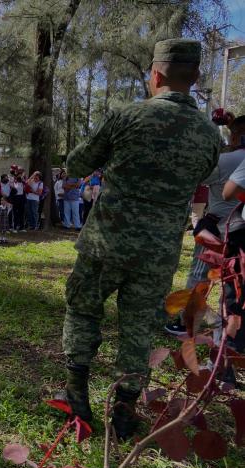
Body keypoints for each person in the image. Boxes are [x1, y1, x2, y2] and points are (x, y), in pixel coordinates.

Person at [60, 39, 221, 440]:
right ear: (195, 77)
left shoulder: (127, 117)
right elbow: (200, 178)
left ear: (155, 75)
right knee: (138, 328)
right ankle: (125, 412)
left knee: (83, 310)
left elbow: (77, 164)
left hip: (107, 240)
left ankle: (77, 395)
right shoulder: (209, 135)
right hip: (159, 250)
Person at [166, 115, 245, 335]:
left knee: (200, 276)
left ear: (237, 135)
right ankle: (233, 328)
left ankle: (187, 323)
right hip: (241, 228)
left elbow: (194, 175)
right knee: (236, 283)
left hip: (219, 227)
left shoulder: (227, 160)